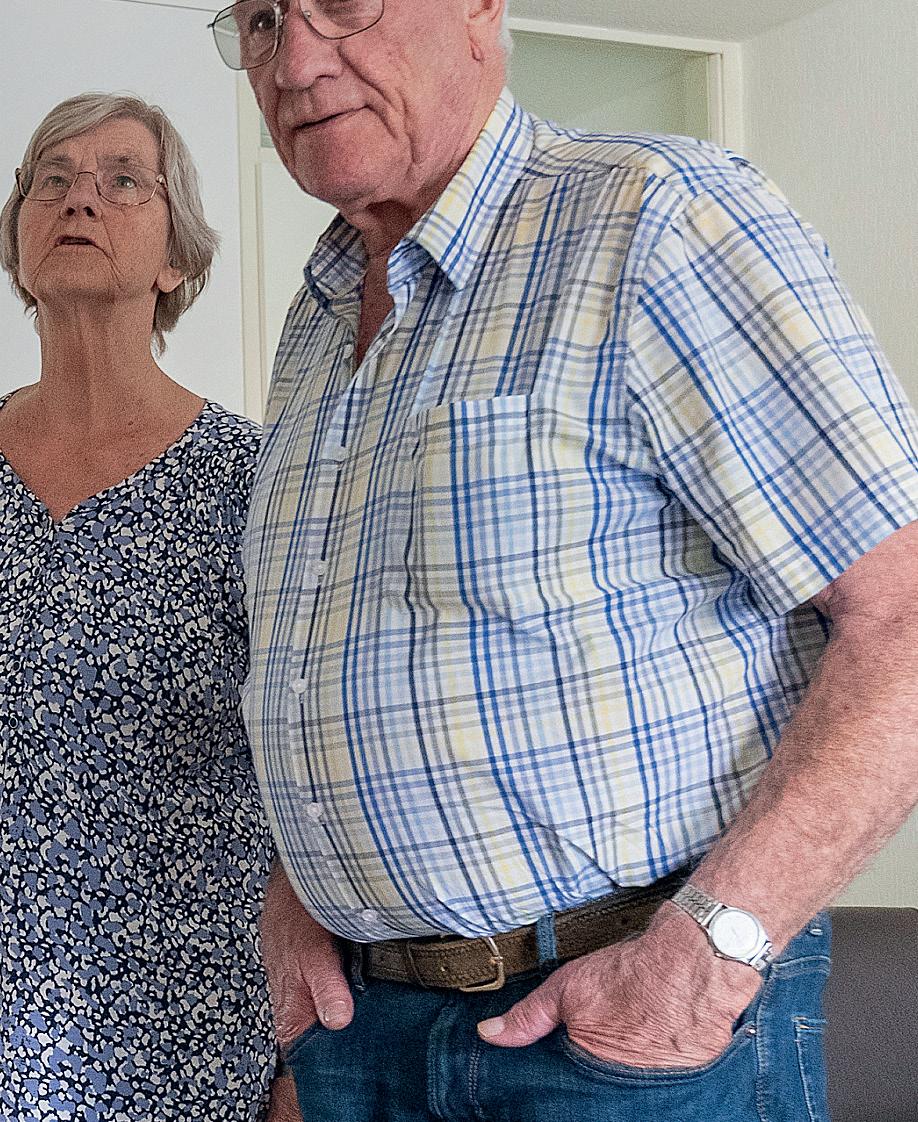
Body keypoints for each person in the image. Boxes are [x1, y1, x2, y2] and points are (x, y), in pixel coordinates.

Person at [210, 1, 918, 1119]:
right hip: (365, 1032)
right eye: (261, 19)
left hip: (619, 1042)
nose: (296, 60)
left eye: (342, 3)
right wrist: (300, 896)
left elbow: (903, 615)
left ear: (481, 9)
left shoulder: (657, 216)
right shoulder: (320, 312)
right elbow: (342, 659)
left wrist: (707, 955)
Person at [0, 93, 276, 1121]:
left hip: (185, 1034)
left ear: (176, 257)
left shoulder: (255, 482)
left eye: (122, 180)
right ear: (18, 237)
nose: (79, 199)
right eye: (52, 179)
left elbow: (310, 778)